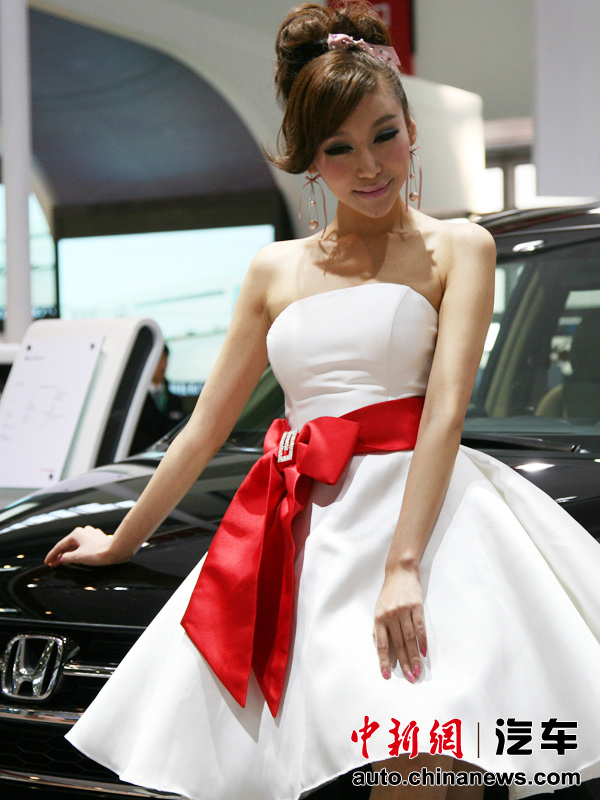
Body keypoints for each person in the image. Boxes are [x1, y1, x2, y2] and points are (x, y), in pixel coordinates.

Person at [44, 3, 600, 800]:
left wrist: (404, 564)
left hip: (432, 528)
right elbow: (203, 429)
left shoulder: (459, 248)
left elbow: (445, 412)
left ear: (411, 129)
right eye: (339, 148)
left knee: (425, 755)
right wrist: (122, 541)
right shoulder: (274, 271)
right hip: (306, 532)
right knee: (335, 761)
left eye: (384, 135)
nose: (369, 165)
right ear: (310, 161)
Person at [129, 343, 185, 454]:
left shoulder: (175, 400)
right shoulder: (134, 400)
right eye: (159, 359)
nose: (163, 365)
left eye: (165, 359)